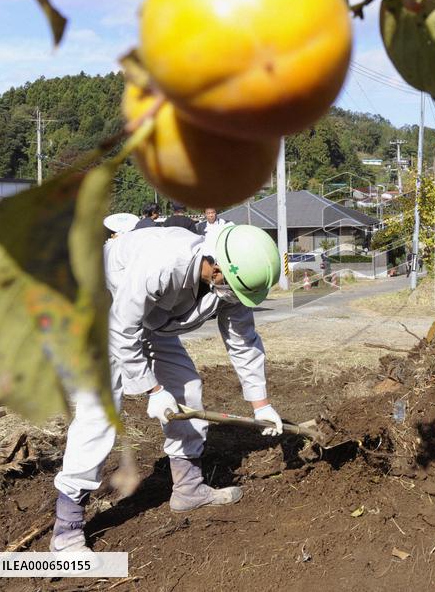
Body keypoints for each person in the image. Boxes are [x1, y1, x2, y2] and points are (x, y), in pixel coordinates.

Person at [50, 224, 284, 552]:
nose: (237, 299)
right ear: (217, 269)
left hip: (150, 318)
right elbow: (122, 329)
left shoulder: (233, 279)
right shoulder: (163, 262)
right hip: (102, 305)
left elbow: (243, 341)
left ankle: (189, 488)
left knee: (187, 388)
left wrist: (261, 404)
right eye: (235, 290)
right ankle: (67, 527)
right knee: (101, 411)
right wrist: (154, 390)